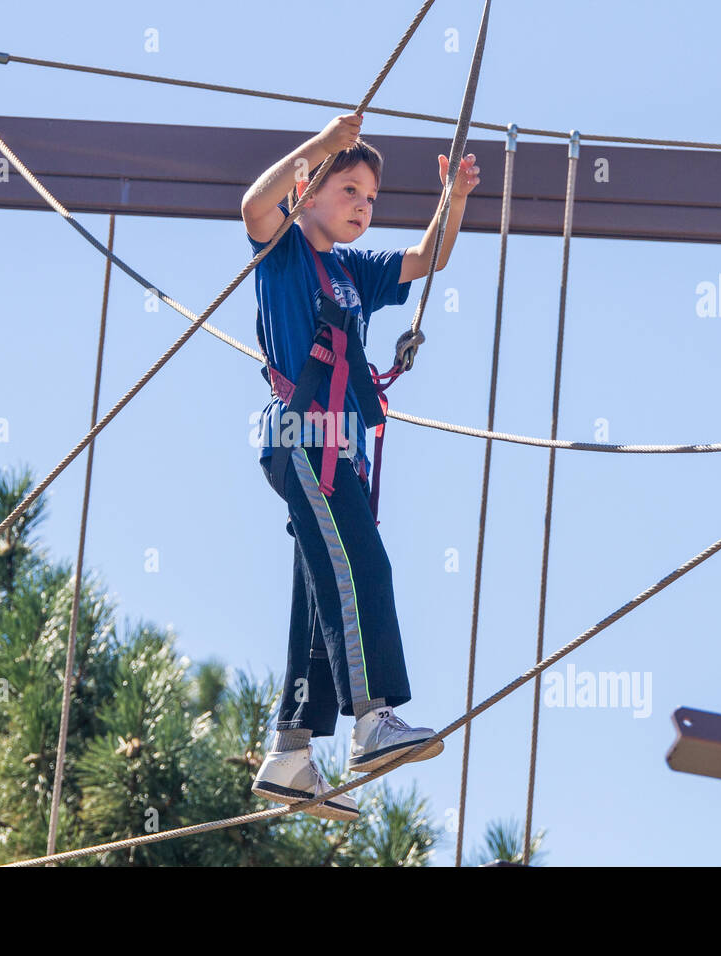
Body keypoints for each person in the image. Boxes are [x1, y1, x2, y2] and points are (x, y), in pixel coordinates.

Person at [240, 112, 480, 820]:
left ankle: (290, 753)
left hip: (337, 448)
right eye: (349, 190)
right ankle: (372, 720)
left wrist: (455, 199)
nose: (362, 207)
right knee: (362, 569)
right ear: (308, 190)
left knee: (322, 592)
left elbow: (428, 258)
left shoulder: (355, 271)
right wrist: (318, 144)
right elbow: (253, 206)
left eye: (371, 199)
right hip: (306, 441)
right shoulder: (282, 252)